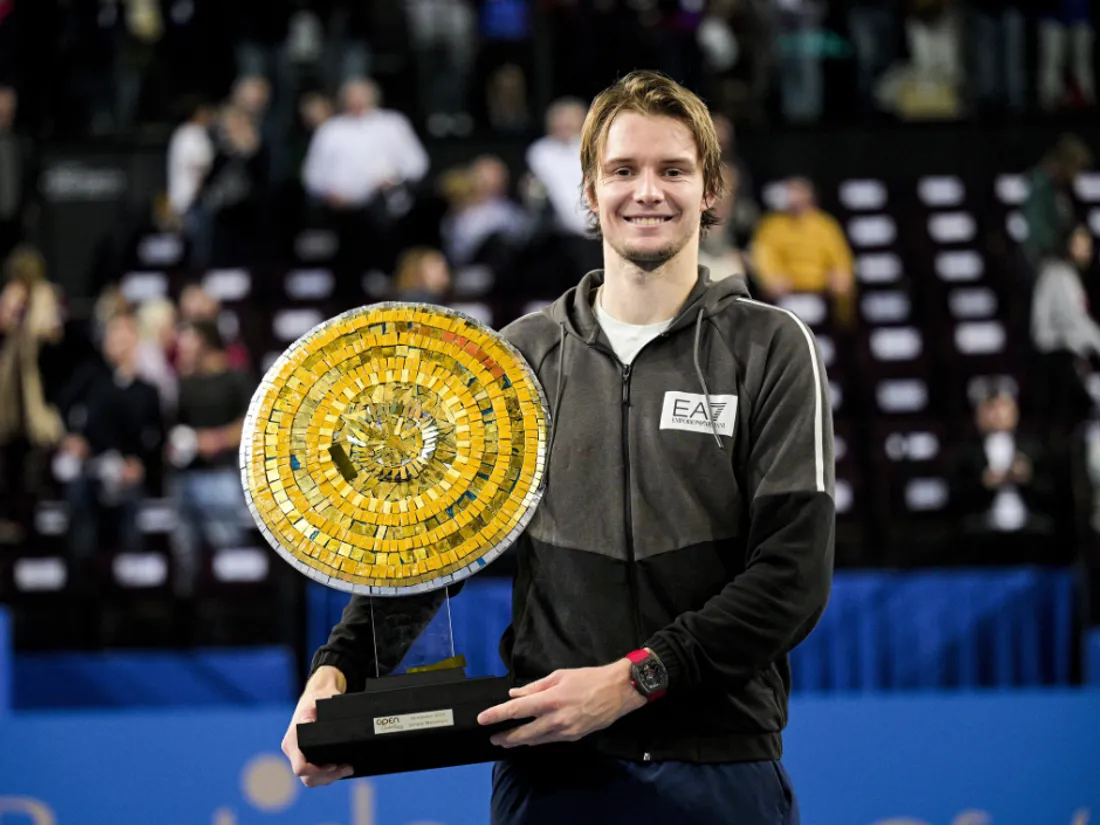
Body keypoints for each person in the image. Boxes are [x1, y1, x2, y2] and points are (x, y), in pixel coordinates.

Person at [282, 70, 834, 825]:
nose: (648, 191)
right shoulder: (519, 358)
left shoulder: (769, 346)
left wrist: (637, 679)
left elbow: (793, 576)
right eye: (623, 171)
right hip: (553, 774)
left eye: (674, 170)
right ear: (587, 191)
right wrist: (340, 670)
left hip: (720, 768)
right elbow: (437, 548)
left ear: (711, 191)